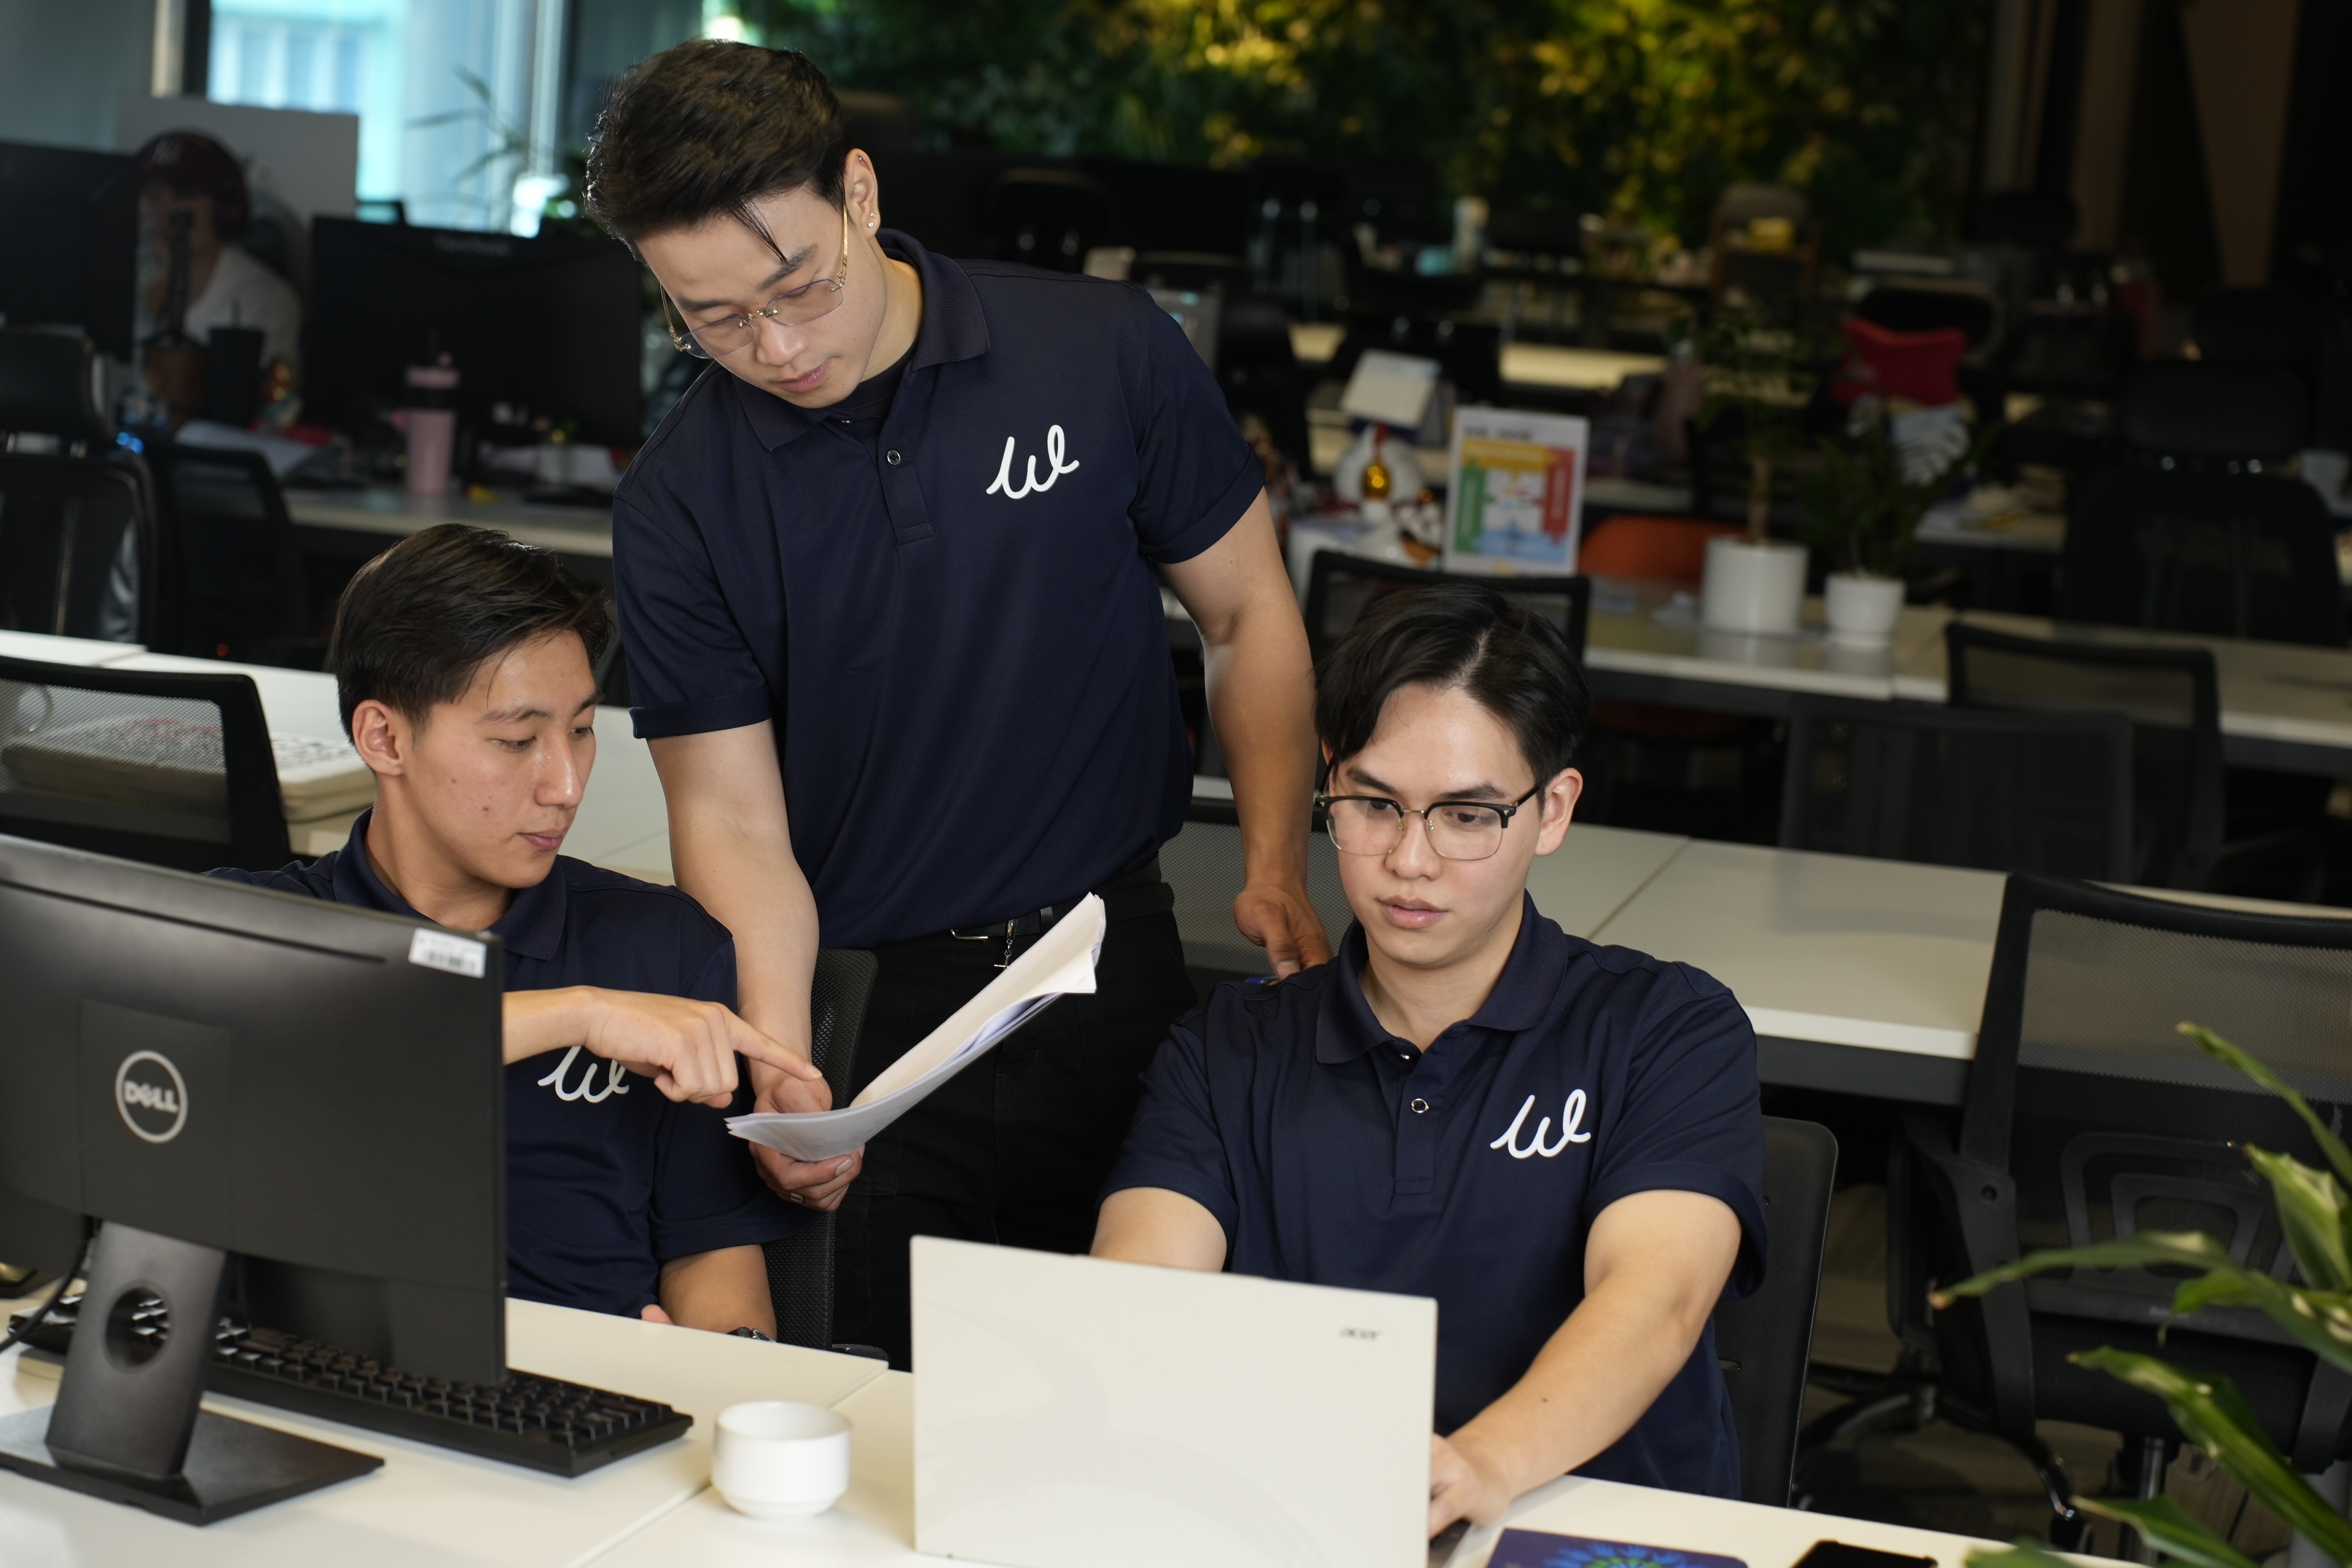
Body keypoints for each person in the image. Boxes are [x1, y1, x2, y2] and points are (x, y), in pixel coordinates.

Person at [582, 41, 1328, 1366]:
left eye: (797, 288)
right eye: (714, 320)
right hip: (873, 1012)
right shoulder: (680, 503)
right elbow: (733, 824)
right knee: (888, 1405)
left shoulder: (1100, 352)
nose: (777, 347)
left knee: (1129, 1384)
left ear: (861, 192)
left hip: (1109, 965)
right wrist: (783, 1063)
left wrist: (1273, 859)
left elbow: (1246, 612)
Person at [1092, 583, 1766, 1534]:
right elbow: (1137, 1299)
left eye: (1467, 816)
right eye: (1374, 804)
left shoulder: (1666, 1029)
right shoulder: (1226, 1050)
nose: (1410, 859)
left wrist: (1481, 1465)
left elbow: (1656, 1299)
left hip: (1596, 1539)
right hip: (1307, 1523)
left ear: (1552, 810)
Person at [210, 524, 821, 1334]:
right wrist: (582, 1014)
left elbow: (713, 1260)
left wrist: (714, 1370)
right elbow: (322, 1040)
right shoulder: (252, 928)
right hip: (323, 1380)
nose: (565, 785)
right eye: (517, 740)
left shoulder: (664, 948)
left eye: (581, 729)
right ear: (385, 738)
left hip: (587, 1386)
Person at [134, 131, 302, 424]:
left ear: (222, 208)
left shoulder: (266, 299)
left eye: (182, 196)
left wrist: (171, 299)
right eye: (153, 196)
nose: (163, 212)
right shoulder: (130, 275)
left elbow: (270, 414)